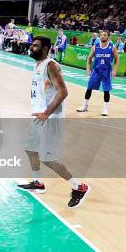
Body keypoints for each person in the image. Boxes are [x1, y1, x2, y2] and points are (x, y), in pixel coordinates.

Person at [18, 37, 90, 208]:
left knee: (48, 158)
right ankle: (37, 182)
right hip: (41, 116)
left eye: (35, 46)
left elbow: (63, 92)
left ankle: (79, 187)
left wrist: (46, 112)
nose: (31, 47)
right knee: (29, 147)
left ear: (45, 49)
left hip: (51, 117)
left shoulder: (51, 66)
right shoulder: (38, 64)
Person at [77, 30, 119, 116]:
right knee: (89, 88)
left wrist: (115, 70)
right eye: (101, 35)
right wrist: (88, 68)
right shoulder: (95, 46)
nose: (102, 36)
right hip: (96, 71)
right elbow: (89, 58)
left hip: (106, 71)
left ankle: (105, 109)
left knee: (106, 90)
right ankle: (85, 106)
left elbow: (117, 59)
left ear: (108, 37)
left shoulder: (112, 47)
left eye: (104, 35)